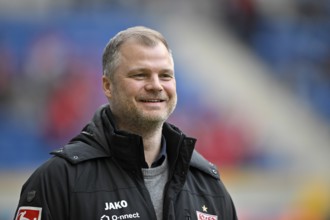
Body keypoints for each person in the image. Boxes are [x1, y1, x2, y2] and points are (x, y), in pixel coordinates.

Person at [14, 26, 237, 220]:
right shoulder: (58, 181)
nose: (156, 85)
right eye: (140, 75)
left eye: (166, 75)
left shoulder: (210, 187)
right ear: (108, 86)